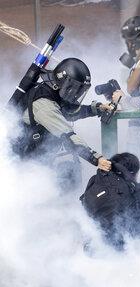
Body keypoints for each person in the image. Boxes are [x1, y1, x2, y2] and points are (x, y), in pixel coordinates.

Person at [11, 57, 113, 191]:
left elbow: (68, 113)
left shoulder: (52, 92)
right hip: (21, 165)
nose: (77, 93)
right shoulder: (43, 104)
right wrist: (96, 158)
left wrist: (96, 109)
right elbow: (67, 135)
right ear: (63, 82)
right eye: (75, 88)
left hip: (35, 159)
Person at [81, 152, 140, 251]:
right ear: (132, 173)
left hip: (92, 248)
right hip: (123, 251)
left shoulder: (95, 181)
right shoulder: (139, 189)